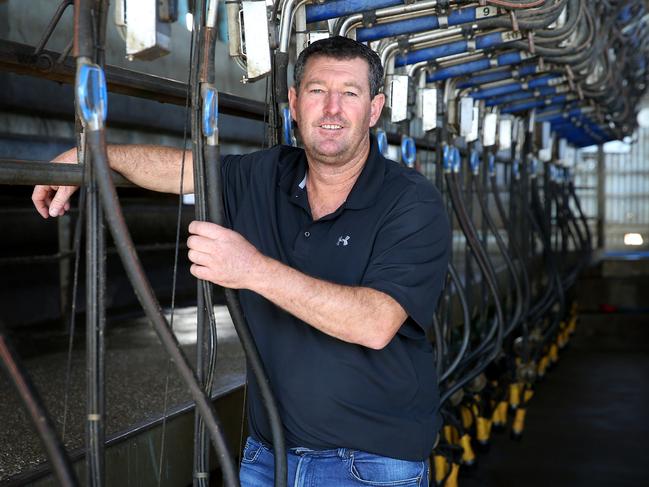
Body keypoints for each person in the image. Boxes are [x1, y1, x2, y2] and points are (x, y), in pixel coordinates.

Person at [33, 36, 450, 487]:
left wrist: (251, 268)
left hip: (369, 465)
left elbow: (374, 322)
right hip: (266, 459)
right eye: (316, 91)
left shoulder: (410, 202)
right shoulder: (266, 174)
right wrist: (94, 154)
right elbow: (181, 169)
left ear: (373, 109)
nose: (332, 109)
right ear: (293, 103)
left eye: (349, 93)